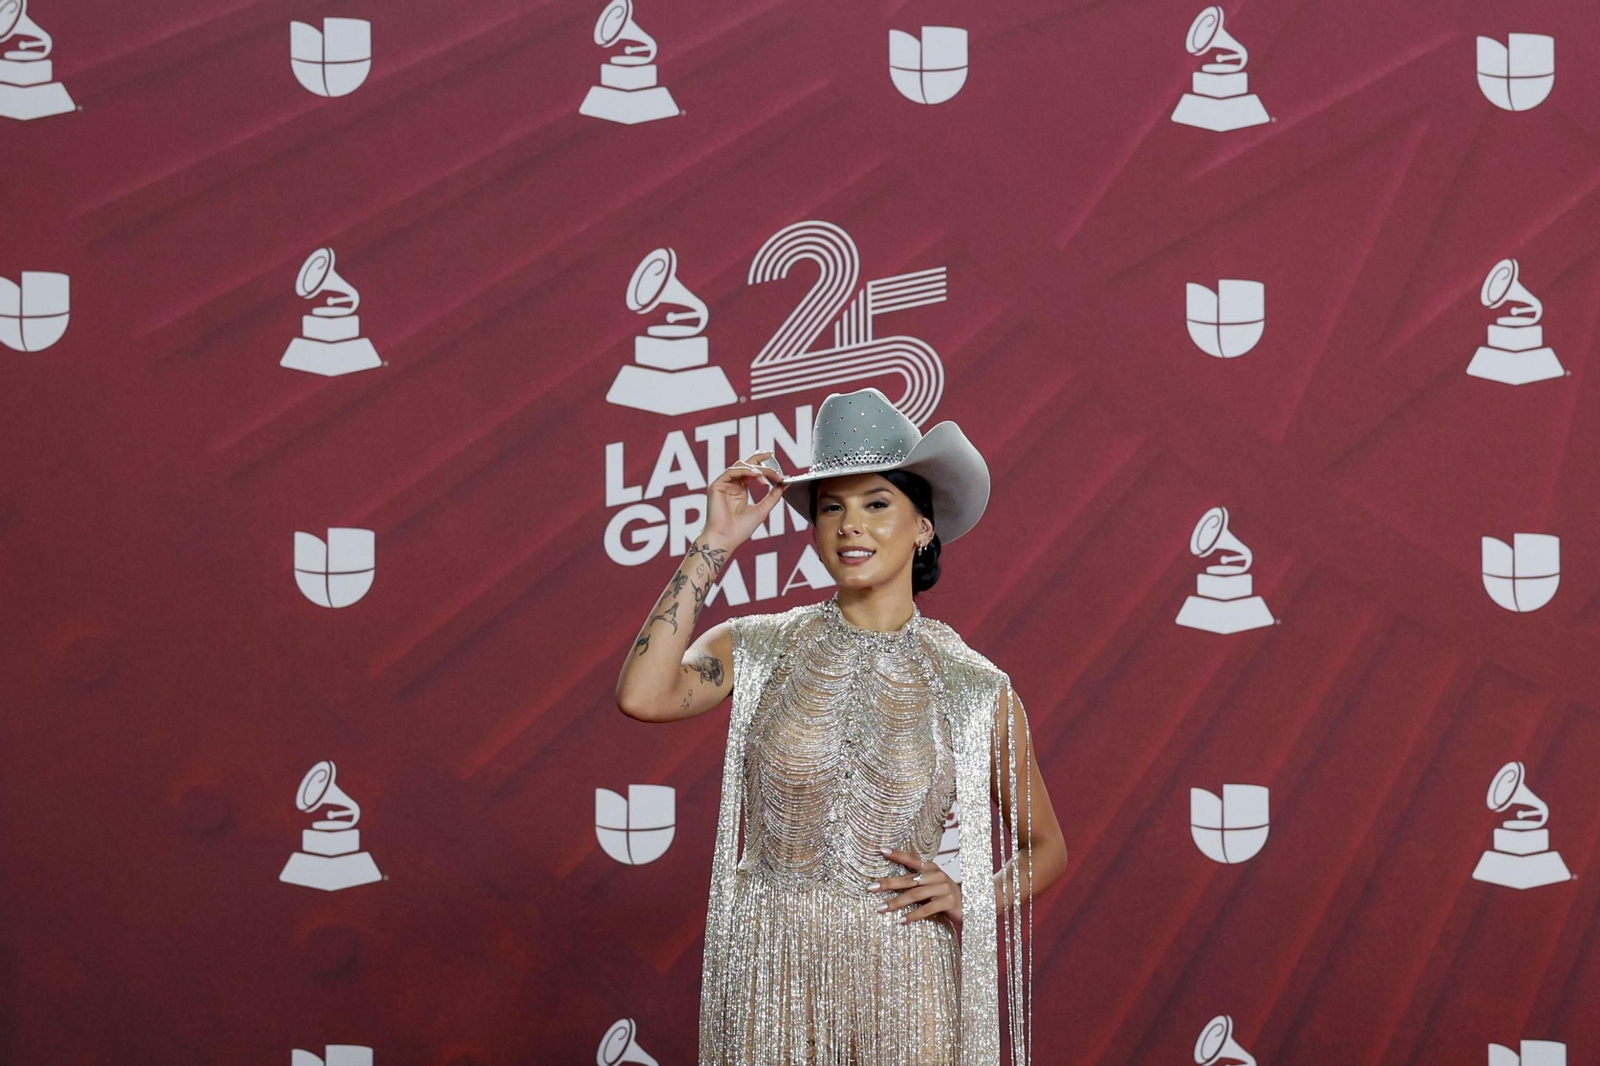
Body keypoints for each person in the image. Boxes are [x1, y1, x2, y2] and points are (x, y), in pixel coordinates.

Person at [614, 386, 1068, 1066]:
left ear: (923, 526)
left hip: (906, 982)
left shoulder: (977, 687)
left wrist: (972, 894)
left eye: (876, 503)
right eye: (832, 507)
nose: (850, 525)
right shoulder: (757, 646)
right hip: (772, 974)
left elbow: (1046, 846)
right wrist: (716, 541)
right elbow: (643, 695)